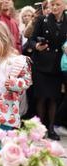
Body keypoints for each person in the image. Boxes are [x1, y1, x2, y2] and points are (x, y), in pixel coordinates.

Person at [0, 22, 32, 130]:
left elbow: (27, 81)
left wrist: (14, 83)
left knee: (3, 139)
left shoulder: (17, 60)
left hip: (5, 109)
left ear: (4, 39)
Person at [30, 0, 67, 140]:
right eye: (53, 5)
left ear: (64, 6)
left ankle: (51, 128)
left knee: (54, 98)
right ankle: (39, 130)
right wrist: (36, 46)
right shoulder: (42, 20)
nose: (55, 7)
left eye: (58, 4)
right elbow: (32, 39)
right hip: (42, 64)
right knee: (41, 98)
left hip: (58, 65)